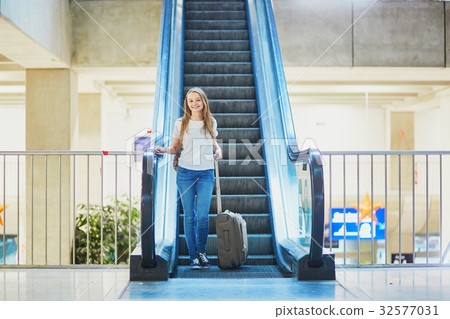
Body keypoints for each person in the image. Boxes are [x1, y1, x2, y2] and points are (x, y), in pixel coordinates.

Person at [156, 87, 222, 269]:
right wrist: (165, 150)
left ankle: (202, 253)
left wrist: (219, 150)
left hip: (206, 173)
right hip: (185, 172)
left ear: (203, 102)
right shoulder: (180, 123)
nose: (194, 104)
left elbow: (214, 144)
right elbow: (176, 148)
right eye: (190, 101)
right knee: (189, 216)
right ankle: (193, 256)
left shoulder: (211, 122)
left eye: (197, 100)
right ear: (187, 103)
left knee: (202, 216)